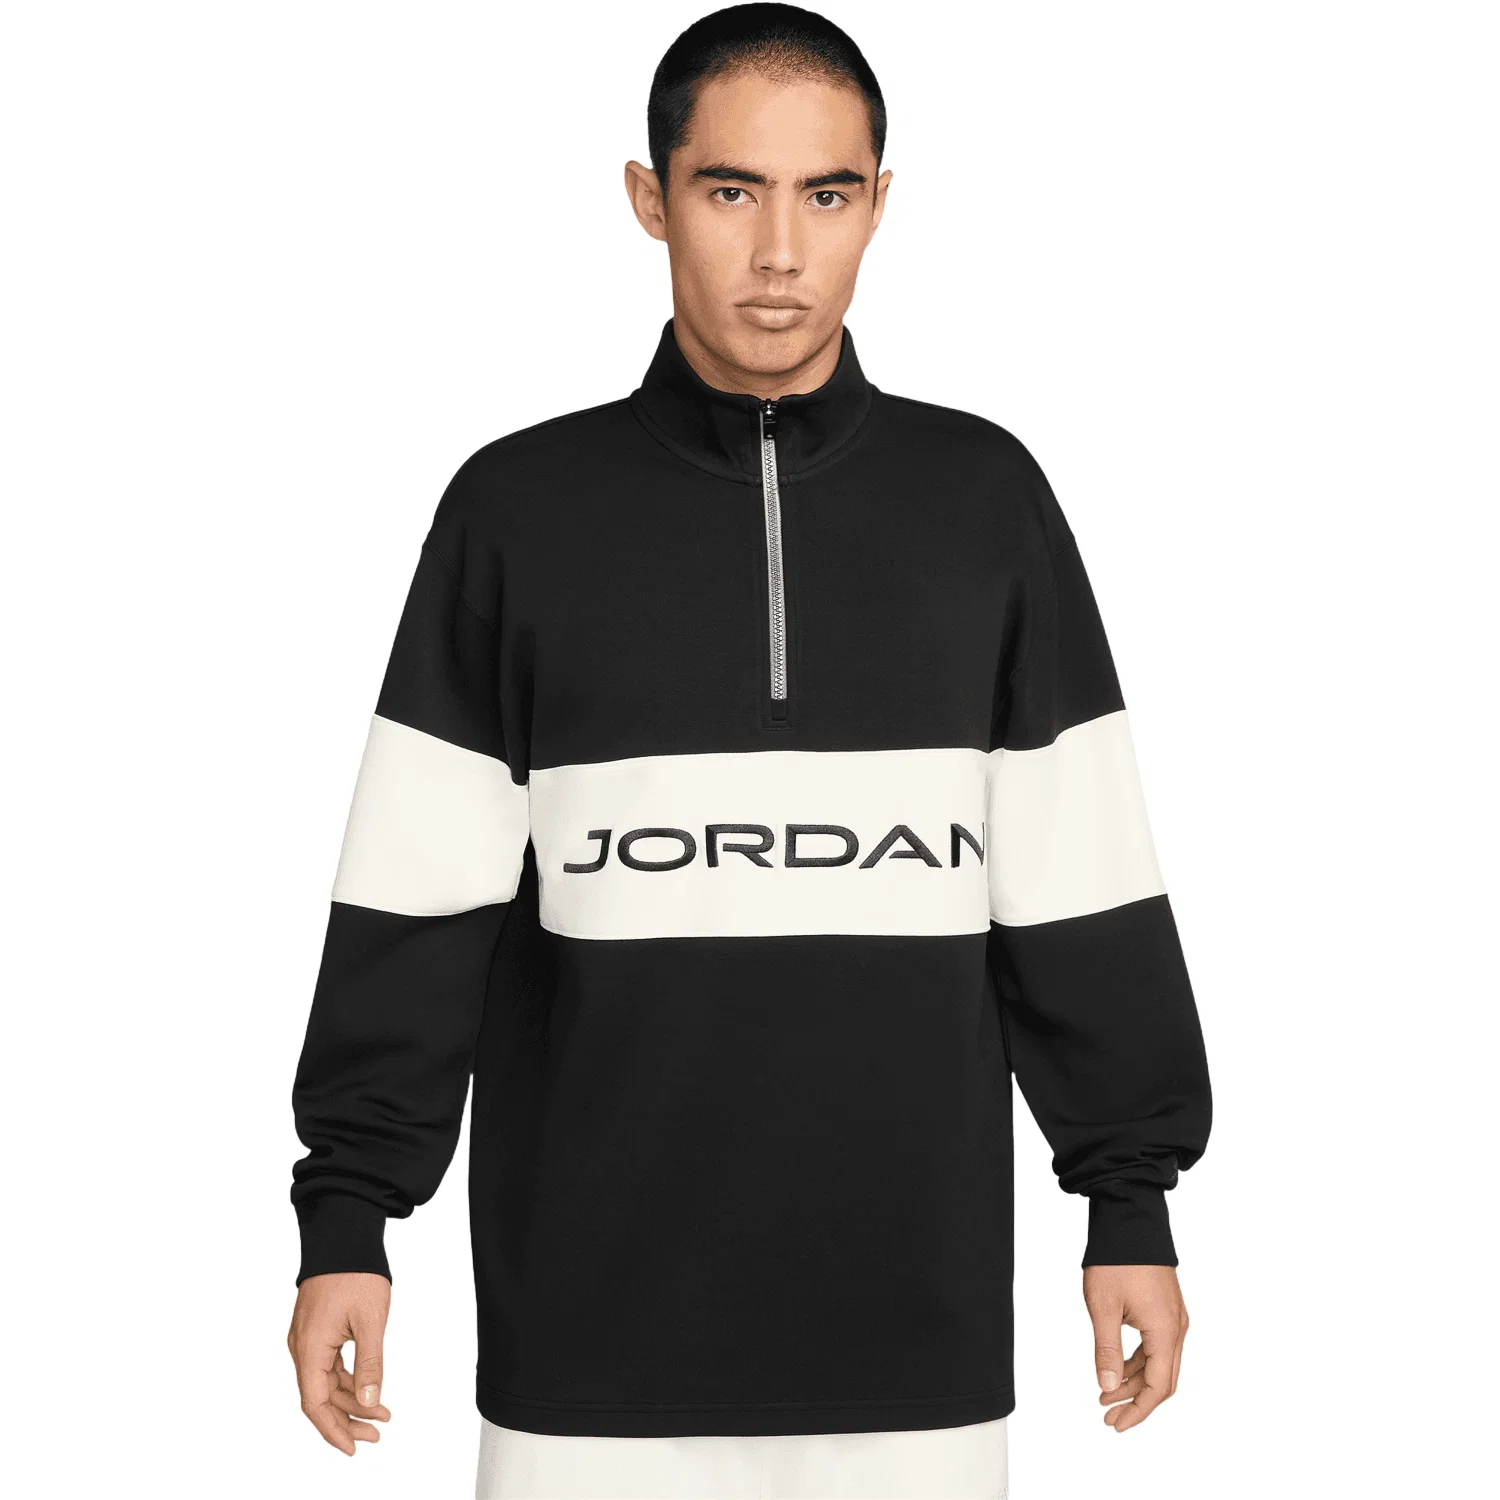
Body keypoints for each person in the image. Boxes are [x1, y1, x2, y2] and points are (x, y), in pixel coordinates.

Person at [286, 5, 1213, 1495]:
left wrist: (1131, 1203)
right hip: (585, 1358)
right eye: (731, 189)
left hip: (916, 1352)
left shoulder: (985, 504)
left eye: (825, 194)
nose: (781, 251)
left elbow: (1079, 882)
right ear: (650, 198)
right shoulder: (516, 513)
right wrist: (350, 1220)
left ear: (879, 205)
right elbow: (413, 901)